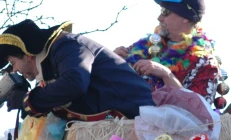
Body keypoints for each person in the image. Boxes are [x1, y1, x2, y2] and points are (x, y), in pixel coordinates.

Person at [0, 19, 155, 121]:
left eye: (13, 62)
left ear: (28, 55)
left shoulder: (66, 46)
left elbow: (74, 83)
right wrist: (28, 107)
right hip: (121, 130)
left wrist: (29, 99)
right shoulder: (50, 65)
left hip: (139, 124)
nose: (15, 70)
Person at [114, 0, 224, 108]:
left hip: (168, 129)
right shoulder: (144, 47)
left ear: (186, 18)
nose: (159, 18)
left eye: (166, 12)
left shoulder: (205, 63)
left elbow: (200, 112)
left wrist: (166, 75)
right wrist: (114, 62)